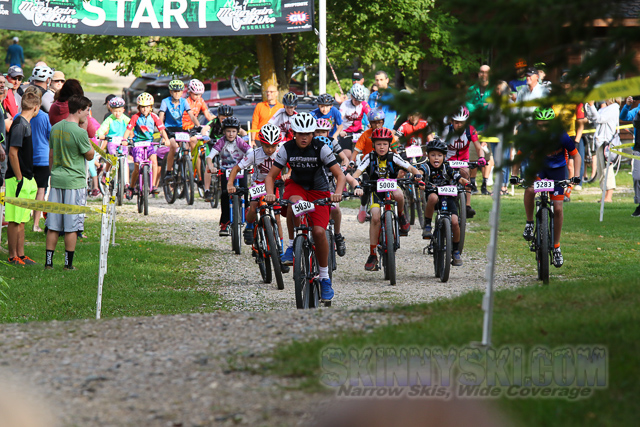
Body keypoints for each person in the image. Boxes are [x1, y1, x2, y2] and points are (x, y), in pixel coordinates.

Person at [265, 112, 346, 301]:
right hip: (297, 187)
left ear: (312, 134)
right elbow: (270, 176)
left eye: (308, 133)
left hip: (319, 191)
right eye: (300, 133)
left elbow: (340, 175)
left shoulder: (322, 148)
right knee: (295, 204)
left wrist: (338, 193)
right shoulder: (286, 148)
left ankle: (325, 277)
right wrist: (270, 193)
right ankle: (293, 245)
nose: (304, 137)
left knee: (319, 232)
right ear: (293, 133)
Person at [512, 107, 581, 268]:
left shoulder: (561, 135)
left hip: (557, 171)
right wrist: (515, 174)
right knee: (529, 189)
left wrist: (576, 175)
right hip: (538, 168)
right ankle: (530, 223)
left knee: (558, 208)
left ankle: (556, 246)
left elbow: (576, 155)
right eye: (540, 125)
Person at [350, 128, 422, 270]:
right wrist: (356, 184)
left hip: (391, 187)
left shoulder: (393, 156)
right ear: (373, 145)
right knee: (375, 217)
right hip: (375, 191)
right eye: (378, 144)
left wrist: (417, 174)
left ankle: (401, 216)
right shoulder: (368, 157)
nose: (381, 147)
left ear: (389, 145)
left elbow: (410, 167)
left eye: (384, 144)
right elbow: (357, 173)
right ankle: (372, 254)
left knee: (399, 195)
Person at [45, 96, 95, 270]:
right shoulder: (80, 132)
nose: (88, 114)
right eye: (87, 110)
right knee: (71, 226)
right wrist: (86, 130)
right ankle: (68, 264)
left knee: (53, 224)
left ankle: (49, 262)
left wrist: (53, 174)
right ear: (79, 110)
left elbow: (51, 155)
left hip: (57, 179)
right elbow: (90, 155)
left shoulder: (56, 128)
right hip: (74, 181)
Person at [227, 123, 284, 246]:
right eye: (266, 146)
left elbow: (291, 167)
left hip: (275, 185)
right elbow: (236, 168)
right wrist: (230, 184)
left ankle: (281, 249)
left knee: (278, 218)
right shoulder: (254, 154)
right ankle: (250, 225)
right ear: (260, 143)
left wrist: (288, 175)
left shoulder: (281, 152)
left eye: (273, 146)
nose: (270, 149)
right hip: (258, 184)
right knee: (253, 207)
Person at [419, 137, 469, 266]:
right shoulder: (426, 166)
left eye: (440, 155)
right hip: (433, 194)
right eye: (433, 155)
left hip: (447, 197)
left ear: (444, 156)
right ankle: (428, 224)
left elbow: (458, 178)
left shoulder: (447, 167)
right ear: (427, 155)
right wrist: (419, 179)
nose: (436, 158)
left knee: (454, 222)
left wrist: (466, 182)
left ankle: (456, 250)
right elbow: (420, 172)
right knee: (433, 198)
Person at [5, 91, 40, 265]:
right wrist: (19, 178)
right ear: (36, 108)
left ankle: (21, 254)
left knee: (22, 219)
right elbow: (12, 153)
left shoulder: (26, 123)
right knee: (14, 219)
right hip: (17, 179)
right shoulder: (19, 125)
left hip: (27, 177)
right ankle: (12, 256)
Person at [205, 116, 251, 235]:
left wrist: (251, 163)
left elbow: (251, 153)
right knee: (225, 194)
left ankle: (247, 209)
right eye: (228, 131)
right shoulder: (221, 142)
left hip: (240, 169)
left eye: (234, 131)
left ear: (237, 132)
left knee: (245, 190)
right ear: (224, 131)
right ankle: (224, 223)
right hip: (225, 171)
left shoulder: (240, 141)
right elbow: (210, 157)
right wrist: (211, 167)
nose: (231, 134)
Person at [441, 106, 486, 218]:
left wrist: (481, 158)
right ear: (452, 121)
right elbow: (440, 148)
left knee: (466, 174)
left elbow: (478, 147)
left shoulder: (470, 130)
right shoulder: (447, 130)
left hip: (463, 160)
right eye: (456, 122)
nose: (459, 125)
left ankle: (467, 206)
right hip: (449, 160)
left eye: (462, 122)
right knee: (444, 178)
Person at [123, 92, 169, 198]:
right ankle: (132, 187)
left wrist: (166, 139)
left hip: (149, 143)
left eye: (147, 107)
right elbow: (128, 129)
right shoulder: (135, 117)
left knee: (154, 160)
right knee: (136, 166)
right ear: (139, 107)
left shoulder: (154, 117)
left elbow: (162, 130)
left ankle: (153, 186)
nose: (144, 109)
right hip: (137, 144)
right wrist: (124, 139)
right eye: (142, 107)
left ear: (151, 107)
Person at [19, 87, 51, 233]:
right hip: (42, 158)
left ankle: (22, 220)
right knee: (40, 191)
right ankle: (36, 224)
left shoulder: (19, 117)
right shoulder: (44, 117)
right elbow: (50, 135)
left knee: (24, 190)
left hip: (26, 158)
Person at [160, 80, 200, 183]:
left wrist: (198, 125)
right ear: (170, 92)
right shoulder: (165, 101)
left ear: (182, 92)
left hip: (179, 128)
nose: (177, 93)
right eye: (174, 91)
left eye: (179, 91)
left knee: (186, 147)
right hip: (169, 129)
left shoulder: (184, 101)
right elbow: (161, 117)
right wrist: (162, 132)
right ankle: (168, 172)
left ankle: (184, 165)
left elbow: (191, 114)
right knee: (173, 146)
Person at [584, 98, 620, 203]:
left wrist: (591, 106)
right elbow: (594, 118)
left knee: (607, 170)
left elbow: (600, 119)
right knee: (601, 170)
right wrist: (590, 106)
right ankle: (604, 195)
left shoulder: (614, 107)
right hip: (600, 142)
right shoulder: (605, 108)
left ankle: (609, 196)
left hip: (607, 142)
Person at [466, 64, 493, 194]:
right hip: (473, 127)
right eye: (481, 72)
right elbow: (469, 108)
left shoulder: (493, 89)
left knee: (487, 157)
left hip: (488, 127)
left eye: (486, 72)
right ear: (478, 74)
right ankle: (472, 184)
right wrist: (483, 106)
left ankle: (484, 185)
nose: (483, 75)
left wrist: (481, 107)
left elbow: (494, 108)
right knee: (472, 156)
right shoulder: (472, 89)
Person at [97, 96, 130, 176]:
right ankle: (106, 172)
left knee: (125, 160)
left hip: (123, 141)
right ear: (111, 110)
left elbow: (132, 126)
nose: (117, 113)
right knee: (112, 155)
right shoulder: (109, 119)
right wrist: (100, 134)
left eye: (119, 111)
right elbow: (103, 127)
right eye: (115, 111)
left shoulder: (125, 119)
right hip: (112, 141)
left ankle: (126, 182)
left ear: (123, 110)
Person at [619, 95, 640, 216]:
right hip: (638, 149)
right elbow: (623, 117)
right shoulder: (637, 109)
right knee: (637, 177)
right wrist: (627, 105)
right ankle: (639, 203)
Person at [339, 84, 370, 161]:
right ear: (352, 96)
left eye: (360, 100)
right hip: (346, 132)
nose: (358, 102)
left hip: (358, 131)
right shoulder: (345, 104)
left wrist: (371, 124)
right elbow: (339, 119)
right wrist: (340, 131)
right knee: (347, 155)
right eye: (356, 100)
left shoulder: (364, 104)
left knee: (365, 152)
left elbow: (371, 114)